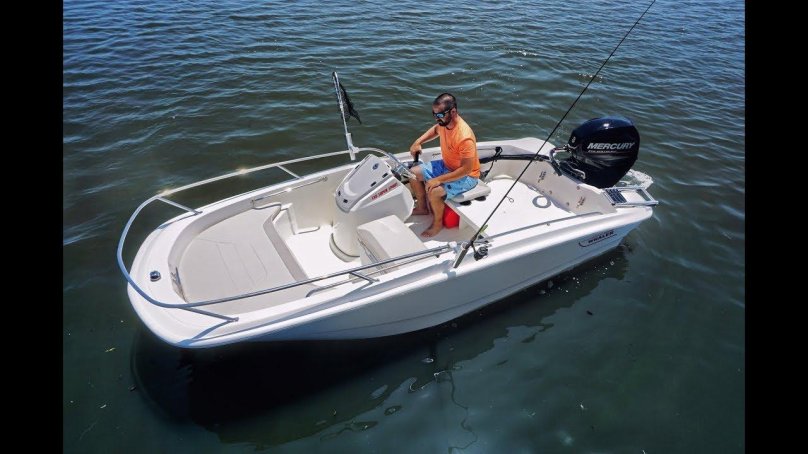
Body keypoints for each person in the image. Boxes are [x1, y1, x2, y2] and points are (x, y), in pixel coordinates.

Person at [409, 93, 481, 237]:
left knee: (435, 191)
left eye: (440, 115)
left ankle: (438, 224)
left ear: (453, 111)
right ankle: (422, 208)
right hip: (447, 165)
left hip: (467, 176)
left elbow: (466, 169)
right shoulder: (444, 123)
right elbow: (436, 129)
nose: (437, 118)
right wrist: (418, 142)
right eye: (434, 114)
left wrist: (438, 180)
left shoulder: (464, 137)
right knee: (412, 173)